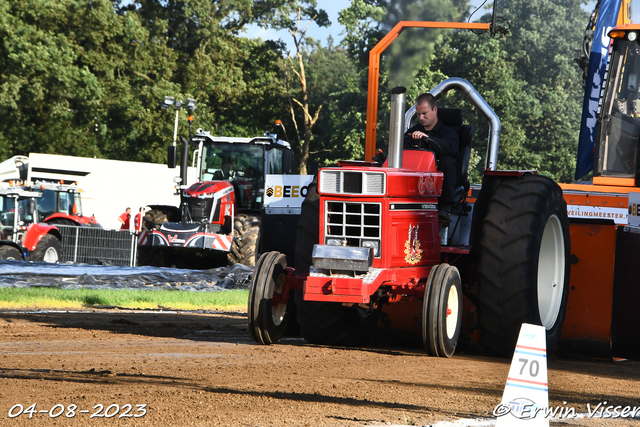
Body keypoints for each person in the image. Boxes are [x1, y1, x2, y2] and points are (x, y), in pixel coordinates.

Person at [404, 93, 459, 221]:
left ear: (435, 110)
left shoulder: (448, 133)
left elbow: (451, 149)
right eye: (418, 114)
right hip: (416, 180)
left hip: (438, 181)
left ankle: (444, 209)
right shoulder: (412, 132)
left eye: (424, 113)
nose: (421, 118)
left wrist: (428, 139)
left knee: (448, 161)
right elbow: (402, 149)